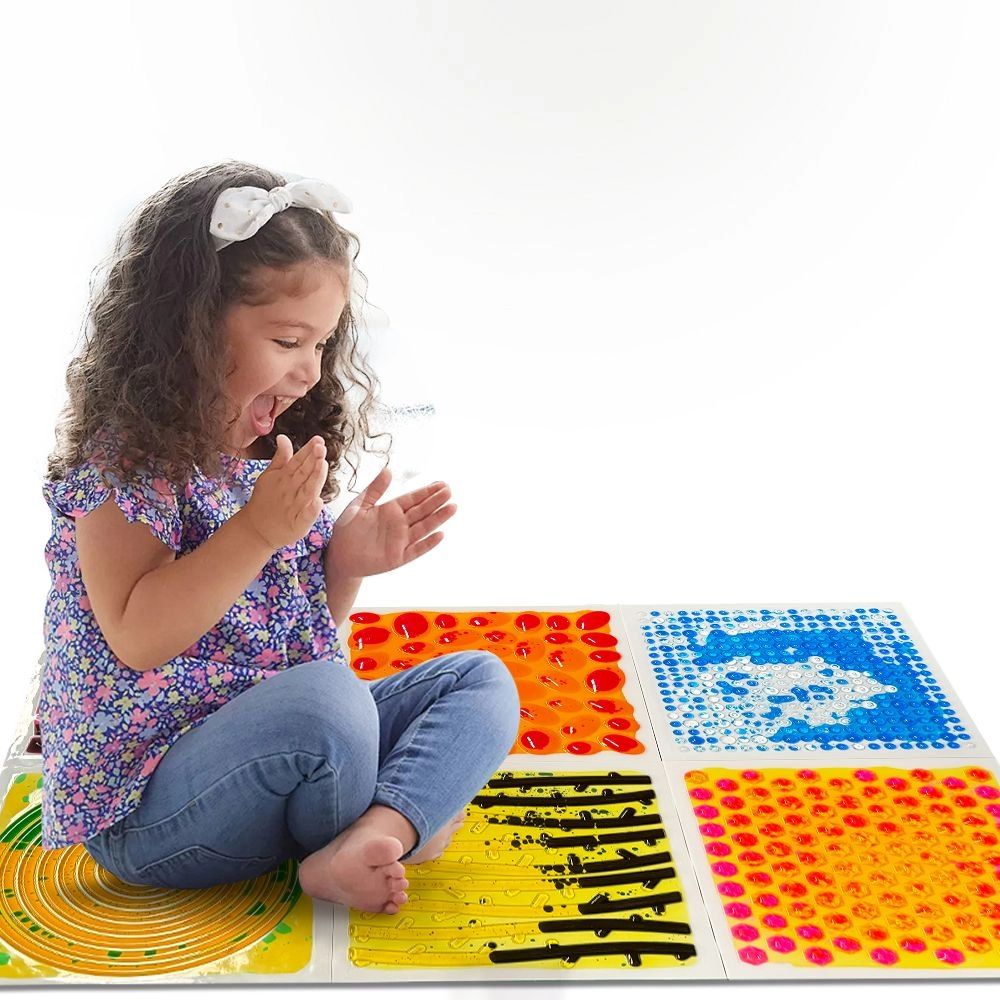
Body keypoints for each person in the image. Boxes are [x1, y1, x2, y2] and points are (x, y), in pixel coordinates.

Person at [39, 160, 521, 914]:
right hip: (151, 805)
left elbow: (291, 646)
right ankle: (404, 812)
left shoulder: (264, 455)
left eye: (322, 344)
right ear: (191, 330)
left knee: (478, 681)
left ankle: (377, 833)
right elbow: (137, 636)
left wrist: (346, 565)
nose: (309, 372)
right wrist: (258, 531)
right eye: (290, 340)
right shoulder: (125, 468)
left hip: (272, 752)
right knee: (330, 708)